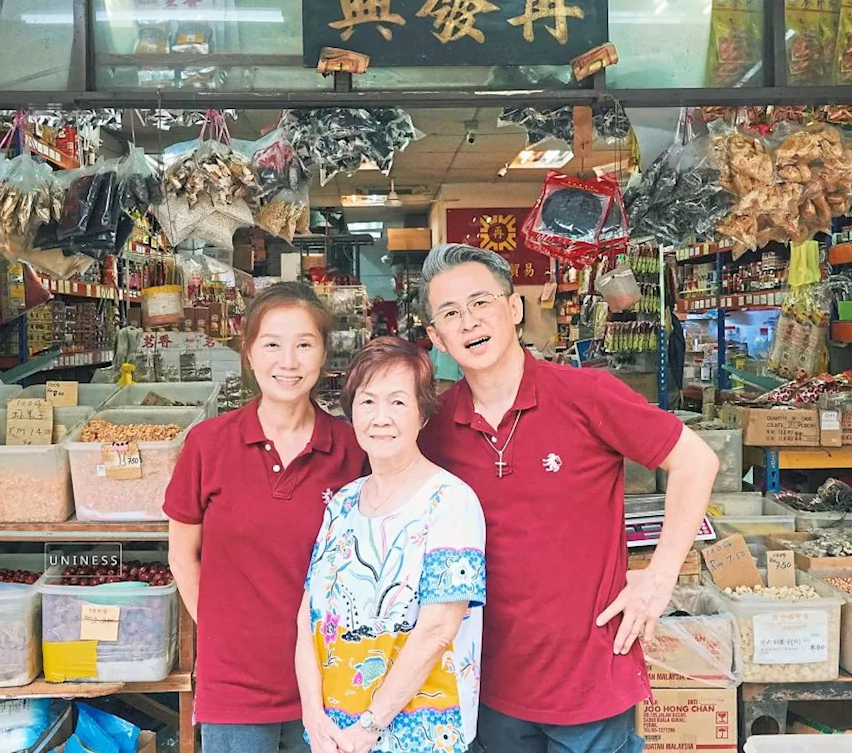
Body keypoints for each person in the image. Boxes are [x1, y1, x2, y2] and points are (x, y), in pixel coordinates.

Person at [418, 243, 721, 753]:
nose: (469, 322)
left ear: (513, 309)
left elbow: (697, 461)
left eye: (481, 303)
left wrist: (659, 577)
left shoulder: (587, 394)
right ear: (436, 338)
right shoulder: (435, 428)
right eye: (450, 313)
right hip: (483, 688)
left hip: (587, 683)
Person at [165, 282, 367, 753]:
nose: (288, 362)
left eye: (304, 344)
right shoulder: (207, 445)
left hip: (331, 681)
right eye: (272, 344)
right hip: (235, 686)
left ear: (324, 353)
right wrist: (222, 632)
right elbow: (182, 554)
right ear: (249, 353)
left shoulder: (353, 448)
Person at [297, 337, 486, 753]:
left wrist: (368, 729)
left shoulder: (450, 501)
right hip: (333, 735)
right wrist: (313, 715)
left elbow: (438, 629)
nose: (380, 417)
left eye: (398, 402)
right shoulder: (343, 502)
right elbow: (307, 615)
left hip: (418, 734)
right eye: (367, 402)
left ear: (422, 415)